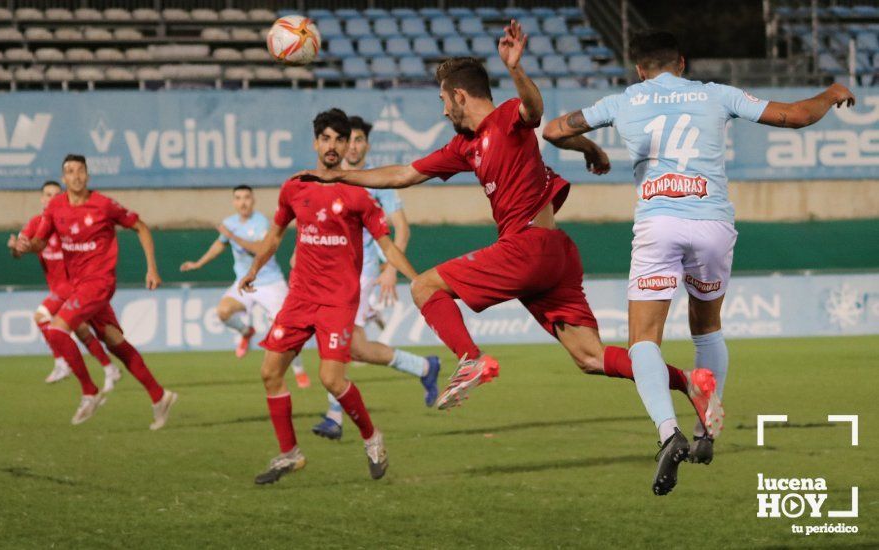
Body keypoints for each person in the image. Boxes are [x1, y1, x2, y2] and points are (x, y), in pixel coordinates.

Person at [293, 20, 718, 435]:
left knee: (424, 287)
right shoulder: (464, 146)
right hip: (554, 254)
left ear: (460, 95)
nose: (443, 110)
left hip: (529, 247)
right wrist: (337, 177)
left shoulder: (508, 119)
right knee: (589, 357)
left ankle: (470, 358)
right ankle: (691, 383)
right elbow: (404, 173)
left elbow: (534, 109)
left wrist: (516, 68)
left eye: (444, 99)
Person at [542, 30, 856, 495]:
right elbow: (793, 116)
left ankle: (669, 432)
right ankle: (708, 428)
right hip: (711, 223)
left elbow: (553, 130)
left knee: (643, 341)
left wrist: (592, 148)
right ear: (682, 63)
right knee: (707, 328)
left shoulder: (622, 101)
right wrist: (830, 93)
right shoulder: (716, 95)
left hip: (658, 223)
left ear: (639, 68)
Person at [243, 109, 420, 485]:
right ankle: (289, 453)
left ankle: (373, 439)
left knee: (331, 379)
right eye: (325, 138)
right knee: (269, 372)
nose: (332, 146)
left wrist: (416, 279)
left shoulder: (359, 195)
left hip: (338, 301)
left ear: (346, 145)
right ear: (315, 142)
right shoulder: (294, 187)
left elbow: (387, 246)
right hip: (300, 298)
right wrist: (255, 269)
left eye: (339, 139)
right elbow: (274, 236)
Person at [15, 154, 177, 429]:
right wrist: (24, 246)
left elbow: (141, 227)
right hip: (79, 285)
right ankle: (159, 396)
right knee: (115, 342)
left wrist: (152, 268)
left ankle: (89, 391)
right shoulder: (55, 207)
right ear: (64, 177)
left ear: (87, 175)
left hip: (99, 282)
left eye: (80, 171)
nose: (75, 176)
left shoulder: (103, 205)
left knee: (55, 329)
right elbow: (40, 243)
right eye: (69, 171)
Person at [311, 116, 440, 441]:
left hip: (363, 271)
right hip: (335, 273)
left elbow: (402, 228)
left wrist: (389, 269)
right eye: (347, 140)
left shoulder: (379, 182)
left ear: (366, 145)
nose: (351, 146)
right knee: (356, 347)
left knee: (339, 341)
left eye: (357, 141)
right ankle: (424, 367)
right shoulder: (331, 179)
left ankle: (334, 416)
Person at [179, 185, 310, 388]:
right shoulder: (229, 223)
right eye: (238, 198)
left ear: (253, 200)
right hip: (243, 282)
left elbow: (260, 249)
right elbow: (219, 245)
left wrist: (232, 236)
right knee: (223, 311)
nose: (243, 202)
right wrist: (198, 263)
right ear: (234, 202)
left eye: (247, 197)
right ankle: (246, 331)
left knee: (284, 330)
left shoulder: (261, 222)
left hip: (270, 283)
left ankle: (299, 370)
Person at [8, 180, 120, 390]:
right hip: (59, 288)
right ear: (42, 199)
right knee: (81, 330)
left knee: (41, 317)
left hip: (72, 286)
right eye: (48, 195)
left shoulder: (66, 223)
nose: (52, 198)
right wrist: (15, 248)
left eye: (56, 195)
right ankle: (109, 368)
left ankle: (61, 363)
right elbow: (19, 252)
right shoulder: (34, 224)